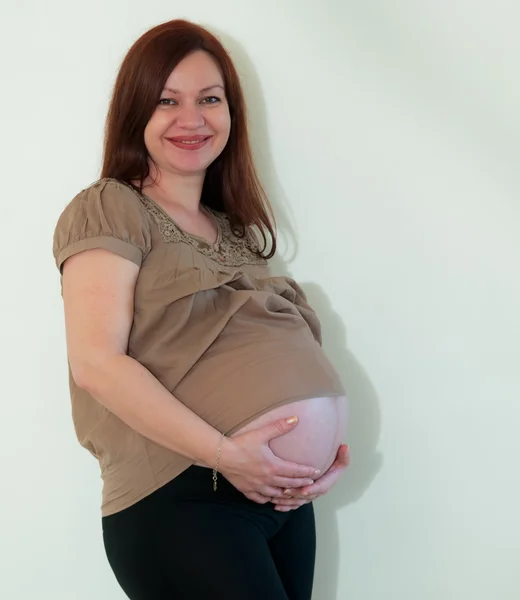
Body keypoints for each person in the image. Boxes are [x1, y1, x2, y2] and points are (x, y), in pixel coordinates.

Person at [52, 19, 350, 600]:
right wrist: (226, 453)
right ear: (137, 111)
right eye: (168, 101)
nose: (193, 119)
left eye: (209, 99)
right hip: (182, 497)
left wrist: (315, 460)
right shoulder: (111, 208)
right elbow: (96, 362)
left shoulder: (233, 231)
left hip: (279, 499)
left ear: (231, 114)